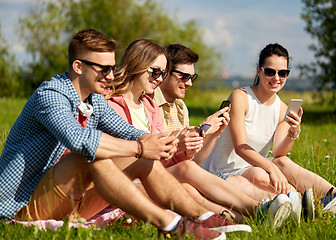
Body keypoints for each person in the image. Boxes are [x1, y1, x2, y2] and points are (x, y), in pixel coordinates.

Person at [0, 28, 244, 240]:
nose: (110, 75)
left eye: (111, 67)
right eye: (103, 69)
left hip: (69, 201)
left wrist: (157, 142)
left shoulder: (94, 99)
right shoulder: (51, 95)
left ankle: (202, 217)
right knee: (92, 155)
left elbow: (128, 131)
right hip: (21, 206)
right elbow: (80, 140)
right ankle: (169, 223)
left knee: (140, 156)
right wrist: (139, 148)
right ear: (78, 66)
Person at [106, 39, 296, 229]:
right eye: (157, 73)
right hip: (127, 180)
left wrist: (207, 135)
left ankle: (245, 220)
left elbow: (180, 161)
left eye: (192, 78)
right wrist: (177, 143)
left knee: (188, 180)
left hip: (156, 174)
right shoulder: (113, 106)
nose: (188, 83)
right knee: (188, 172)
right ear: (137, 66)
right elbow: (122, 155)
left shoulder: (152, 107)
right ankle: (257, 211)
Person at [202, 43, 336, 218]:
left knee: (280, 163)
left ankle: (335, 196)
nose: (276, 78)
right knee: (262, 175)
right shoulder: (241, 97)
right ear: (258, 71)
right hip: (220, 171)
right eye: (270, 72)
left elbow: (278, 151)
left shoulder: (282, 109)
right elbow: (241, 147)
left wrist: (293, 132)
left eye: (283, 73)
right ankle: (304, 206)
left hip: (251, 167)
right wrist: (271, 168)